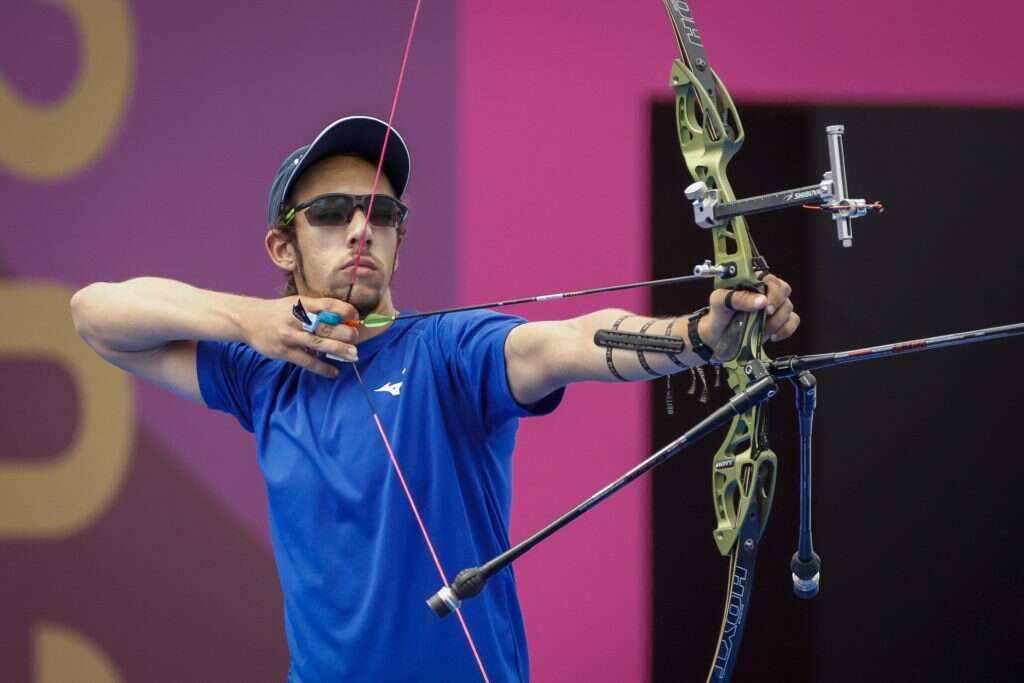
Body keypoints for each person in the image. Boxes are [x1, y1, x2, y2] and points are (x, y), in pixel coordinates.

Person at [70, 116, 799, 682]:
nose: (363, 228)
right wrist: (248, 321)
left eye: (382, 214)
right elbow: (95, 314)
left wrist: (699, 335)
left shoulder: (449, 352)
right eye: (331, 211)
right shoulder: (261, 373)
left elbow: (566, 342)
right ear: (281, 248)